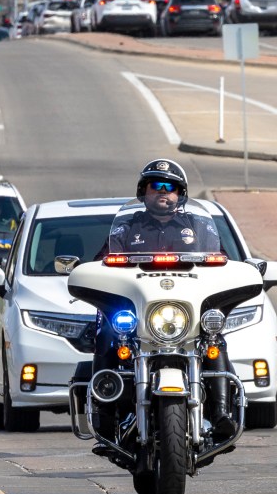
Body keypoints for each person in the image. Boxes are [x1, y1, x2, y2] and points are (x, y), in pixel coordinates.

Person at [92, 159, 233, 454]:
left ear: (180, 194)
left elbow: (223, 264)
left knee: (214, 341)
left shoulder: (199, 228)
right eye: (156, 186)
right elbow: (100, 264)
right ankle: (104, 417)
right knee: (107, 334)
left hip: (184, 313)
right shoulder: (126, 229)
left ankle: (221, 415)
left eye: (170, 187)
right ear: (144, 192)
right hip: (137, 314)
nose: (163, 192)